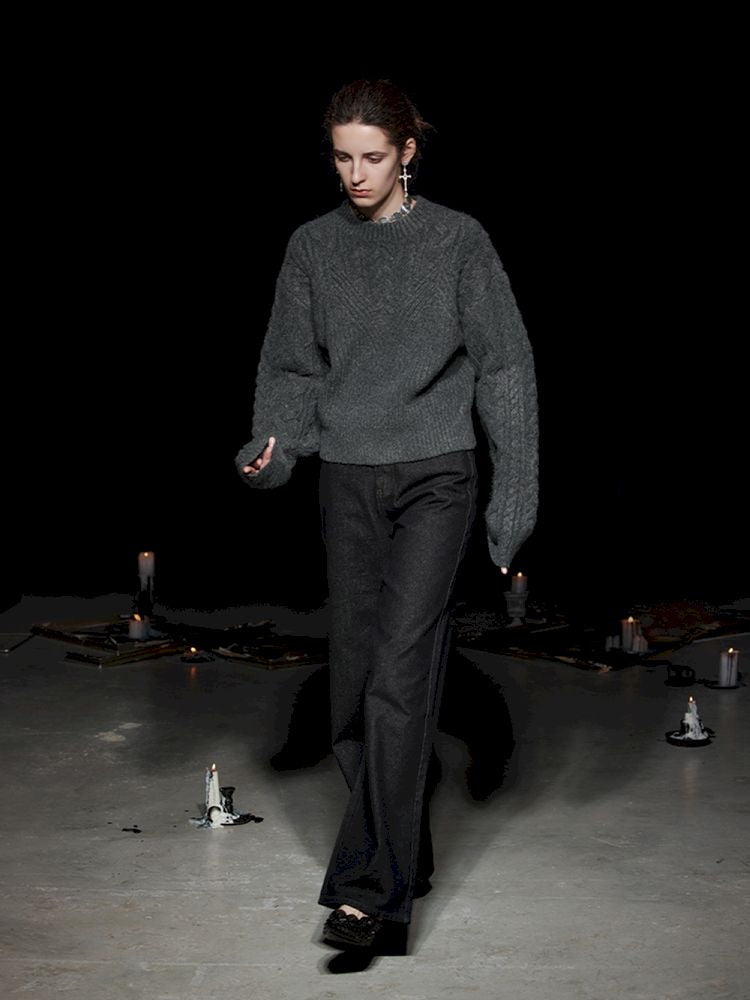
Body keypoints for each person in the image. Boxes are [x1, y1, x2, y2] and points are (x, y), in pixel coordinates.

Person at [235, 78, 538, 950]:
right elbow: (291, 368)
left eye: (373, 156)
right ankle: (404, 851)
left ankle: (370, 893)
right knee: (355, 686)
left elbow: (505, 365)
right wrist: (275, 450)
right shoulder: (312, 246)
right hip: (348, 479)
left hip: (437, 477)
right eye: (342, 157)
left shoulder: (458, 241)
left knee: (401, 674)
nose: (357, 174)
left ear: (409, 151)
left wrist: (514, 497)